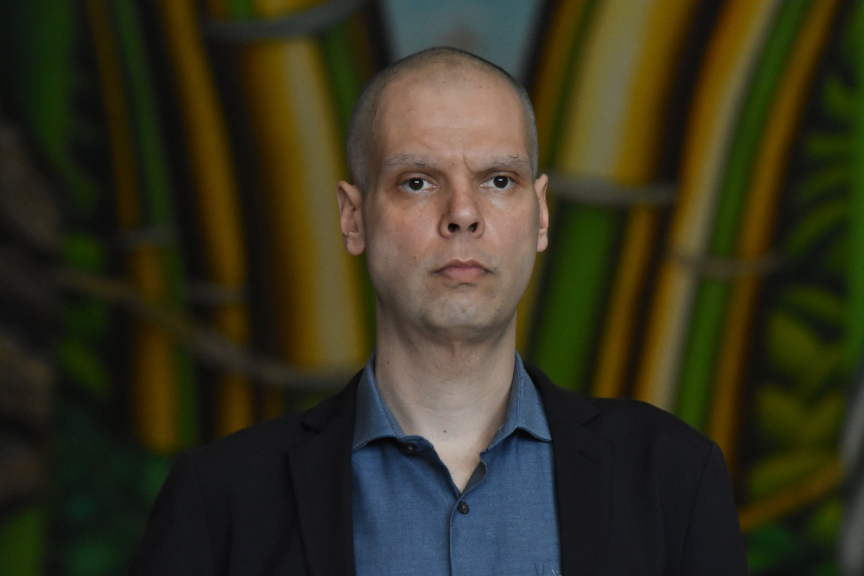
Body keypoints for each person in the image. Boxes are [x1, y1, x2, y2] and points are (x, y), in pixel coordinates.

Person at [129, 47, 748, 575]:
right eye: (418, 181)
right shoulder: (221, 499)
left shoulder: (673, 478)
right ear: (353, 218)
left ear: (540, 215)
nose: (463, 213)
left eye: (498, 180)